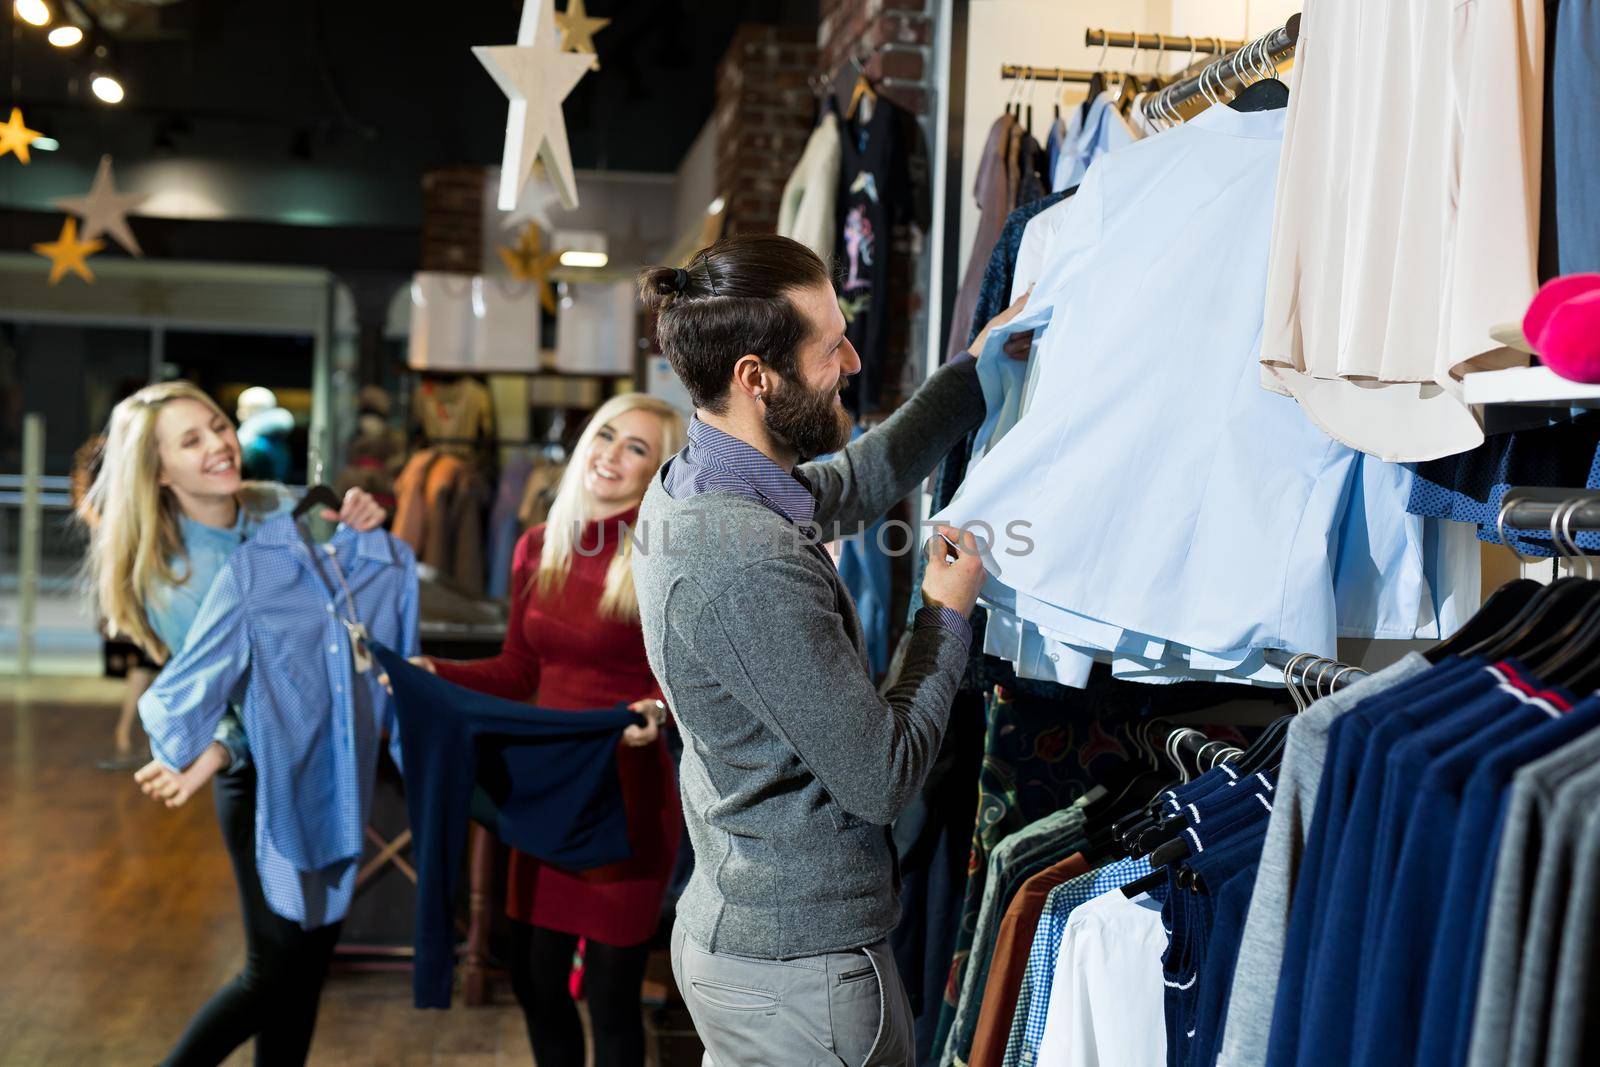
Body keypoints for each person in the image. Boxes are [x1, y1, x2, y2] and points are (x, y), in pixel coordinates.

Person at [632, 234, 1027, 1065]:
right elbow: (882, 777)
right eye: (829, 346)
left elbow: (851, 482)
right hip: (802, 976)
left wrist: (974, 374)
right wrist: (942, 617)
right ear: (755, 377)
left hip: (752, 940)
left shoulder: (706, 476)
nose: (851, 358)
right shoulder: (743, 555)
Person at [79, 379, 386, 1066]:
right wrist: (217, 751)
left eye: (217, 425)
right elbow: (243, 692)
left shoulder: (278, 505)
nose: (219, 443)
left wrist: (361, 518)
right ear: (158, 470)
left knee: (309, 959)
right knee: (273, 965)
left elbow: (348, 591)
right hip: (260, 774)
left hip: (327, 758)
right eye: (191, 440)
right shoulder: (174, 573)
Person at [413, 392, 687, 1067]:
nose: (612, 456)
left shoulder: (664, 552)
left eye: (637, 448)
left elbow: (690, 676)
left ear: (660, 471)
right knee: (536, 981)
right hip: (546, 796)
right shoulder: (539, 545)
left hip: (625, 796)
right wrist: (432, 671)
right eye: (606, 435)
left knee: (612, 995)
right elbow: (519, 667)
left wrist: (656, 708)